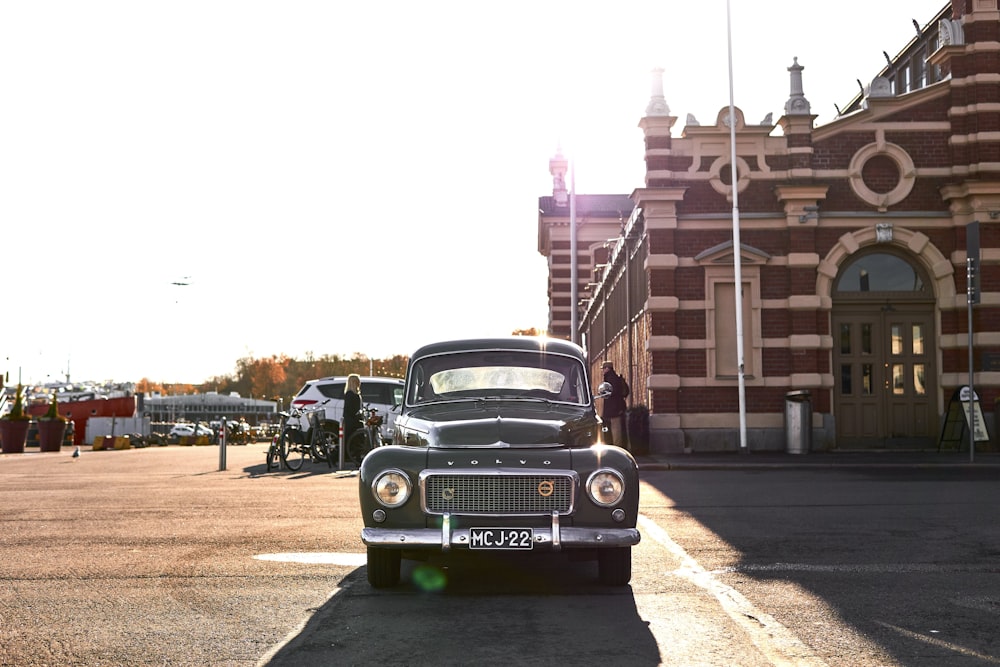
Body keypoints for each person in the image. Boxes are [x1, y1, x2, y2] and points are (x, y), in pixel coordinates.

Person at [600, 361, 629, 448]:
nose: (603, 371)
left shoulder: (610, 379)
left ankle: (617, 448)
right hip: (617, 408)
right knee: (616, 430)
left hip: (613, 410)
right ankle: (618, 447)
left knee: (615, 430)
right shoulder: (616, 378)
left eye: (604, 369)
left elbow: (610, 394)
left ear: (607, 369)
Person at [343, 374, 363, 446]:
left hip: (352, 419)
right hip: (351, 420)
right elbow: (350, 408)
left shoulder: (353, 394)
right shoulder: (350, 394)